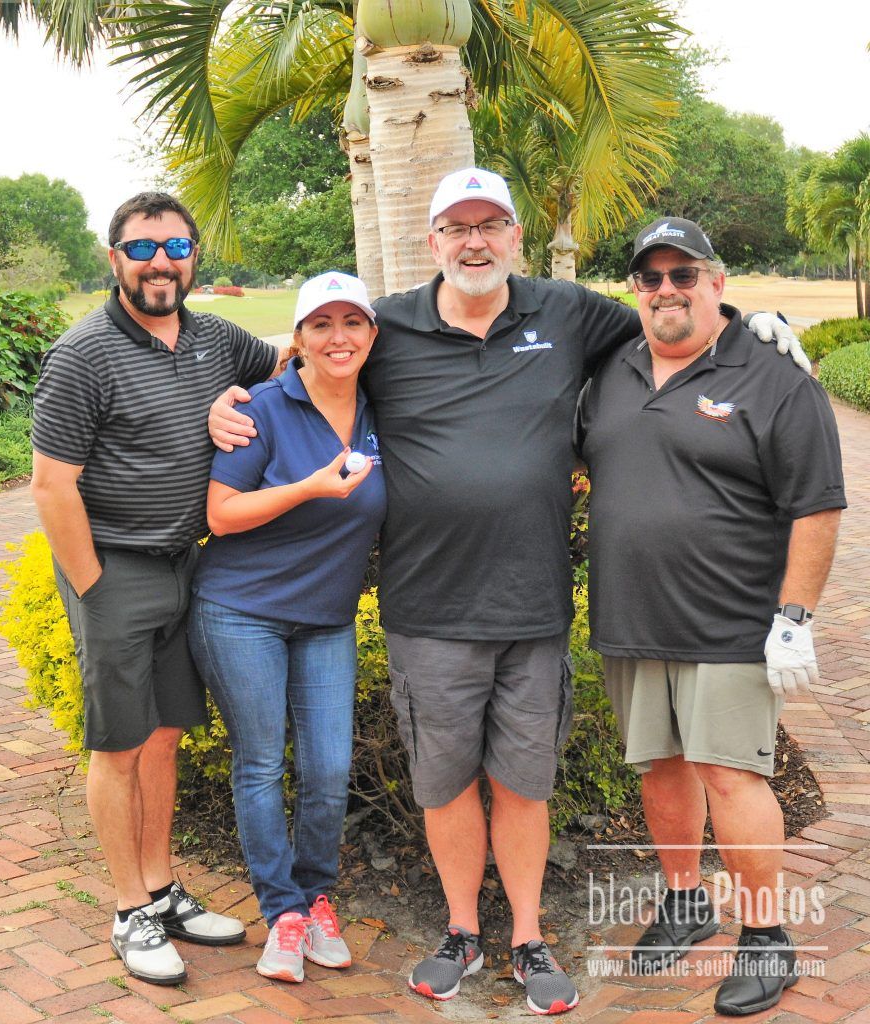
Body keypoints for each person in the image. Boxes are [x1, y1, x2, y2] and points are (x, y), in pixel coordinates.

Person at [208, 170, 805, 1014]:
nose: (475, 241)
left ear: (516, 235)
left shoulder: (567, 311)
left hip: (532, 608)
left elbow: (671, 316)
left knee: (524, 784)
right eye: (457, 227)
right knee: (446, 783)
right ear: (433, 242)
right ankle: (460, 931)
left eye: (490, 224)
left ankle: (528, 937)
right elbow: (314, 358)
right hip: (428, 609)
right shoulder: (391, 325)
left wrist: (751, 326)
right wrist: (233, 399)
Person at [575, 217, 845, 1016]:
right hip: (632, 617)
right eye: (651, 277)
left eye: (683, 275)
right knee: (660, 766)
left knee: (730, 773)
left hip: (730, 620)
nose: (667, 290)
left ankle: (766, 937)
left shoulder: (773, 375)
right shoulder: (611, 368)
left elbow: (817, 505)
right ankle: (686, 901)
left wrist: (794, 616)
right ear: (635, 289)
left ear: (717, 283)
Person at [30, 192, 282, 986]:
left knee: (165, 735)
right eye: (142, 249)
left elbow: (289, 360)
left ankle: (162, 888)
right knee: (119, 745)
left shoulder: (216, 339)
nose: (160, 263)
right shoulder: (82, 354)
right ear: (115, 259)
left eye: (175, 247)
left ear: (195, 256)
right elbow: (51, 486)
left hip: (186, 564)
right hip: (114, 569)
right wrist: (93, 587)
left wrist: (240, 395)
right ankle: (128, 909)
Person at [187, 272, 387, 984]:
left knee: (329, 768)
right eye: (321, 324)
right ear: (298, 338)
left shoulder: (382, 406)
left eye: (352, 322)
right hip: (242, 611)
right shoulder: (263, 407)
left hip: (326, 618)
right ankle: (283, 913)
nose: (339, 338)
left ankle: (316, 896)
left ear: (372, 334)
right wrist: (308, 487)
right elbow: (220, 515)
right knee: (262, 763)